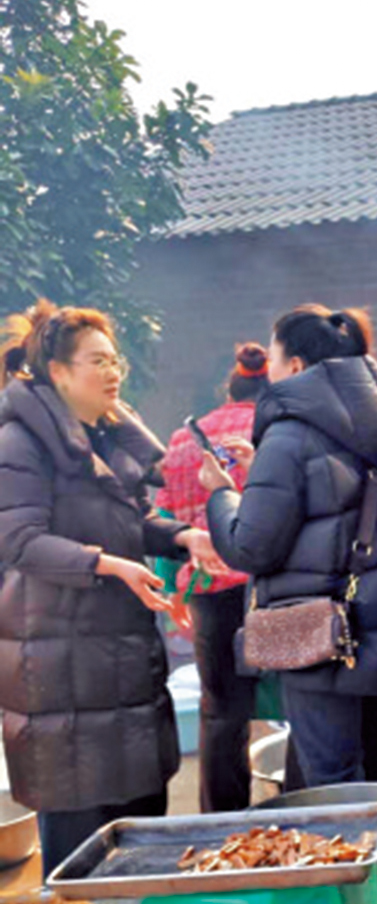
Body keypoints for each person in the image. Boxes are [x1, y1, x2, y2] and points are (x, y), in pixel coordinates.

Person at [0, 300, 220, 871]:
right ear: (58, 372)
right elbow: (19, 542)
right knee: (81, 848)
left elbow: (127, 521)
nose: (112, 371)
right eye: (96, 361)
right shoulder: (19, 444)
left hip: (116, 658)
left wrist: (182, 537)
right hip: (59, 671)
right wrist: (110, 565)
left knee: (138, 832)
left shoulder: (100, 439)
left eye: (114, 359)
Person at [201, 305, 377, 786]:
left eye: (274, 359)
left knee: (333, 780)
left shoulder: (290, 434)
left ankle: (351, 863)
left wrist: (220, 494)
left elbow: (250, 547)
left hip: (323, 640)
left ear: (298, 368)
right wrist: (264, 468)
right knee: (376, 758)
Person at [158, 343, 269, 811]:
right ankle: (306, 811)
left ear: (230, 388)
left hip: (207, 590)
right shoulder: (273, 430)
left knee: (222, 712)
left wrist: (171, 593)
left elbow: (166, 521)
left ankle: (223, 822)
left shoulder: (185, 438)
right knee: (300, 709)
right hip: (268, 588)